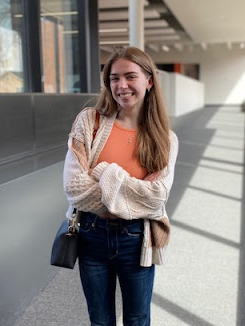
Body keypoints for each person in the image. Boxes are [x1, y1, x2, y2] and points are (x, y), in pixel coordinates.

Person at [62, 46, 178, 326]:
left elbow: (156, 198)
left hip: (136, 239)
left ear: (149, 81)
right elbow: (75, 188)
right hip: (91, 236)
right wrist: (131, 188)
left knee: (137, 320)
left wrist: (101, 173)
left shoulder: (166, 140)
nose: (121, 85)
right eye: (114, 78)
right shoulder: (89, 122)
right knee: (100, 320)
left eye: (130, 76)